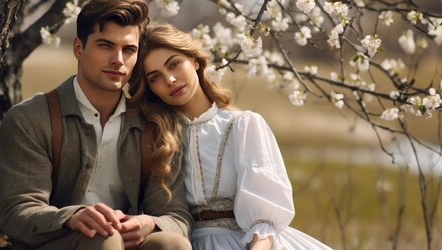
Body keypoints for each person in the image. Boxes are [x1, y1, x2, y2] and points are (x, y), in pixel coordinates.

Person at [0, 1, 193, 249]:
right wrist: (71, 217)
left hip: (125, 241)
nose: (118, 60)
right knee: (103, 239)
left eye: (129, 50)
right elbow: (17, 211)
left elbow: (177, 216)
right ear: (79, 48)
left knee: (172, 244)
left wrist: (149, 224)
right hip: (58, 242)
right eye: (105, 45)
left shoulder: (154, 127)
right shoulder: (30, 119)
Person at [130, 23, 332, 250]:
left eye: (174, 65)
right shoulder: (156, 137)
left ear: (195, 61)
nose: (170, 79)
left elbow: (264, 222)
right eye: (155, 77)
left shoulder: (243, 125)